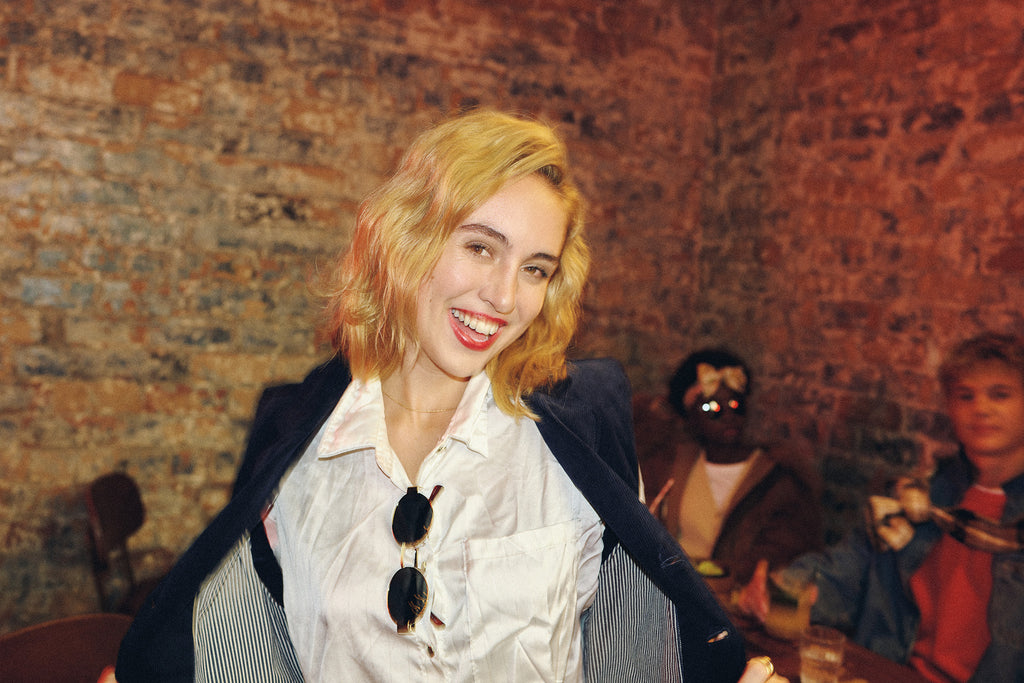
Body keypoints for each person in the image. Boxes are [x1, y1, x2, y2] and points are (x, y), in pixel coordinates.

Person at [115, 109, 785, 682]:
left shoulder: (582, 434)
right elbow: (245, 648)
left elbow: (630, 650)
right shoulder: (296, 445)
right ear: (408, 236)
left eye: (535, 269)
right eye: (481, 247)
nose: (503, 297)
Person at [736, 331, 1024, 683]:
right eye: (966, 395)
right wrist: (780, 590)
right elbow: (846, 572)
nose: (981, 408)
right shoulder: (920, 497)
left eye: (1000, 394)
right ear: (949, 406)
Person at [646, 348, 823, 585]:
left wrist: (731, 575)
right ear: (689, 415)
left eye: (736, 404)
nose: (729, 416)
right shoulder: (669, 468)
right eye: (712, 409)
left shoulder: (777, 478)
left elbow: (784, 548)